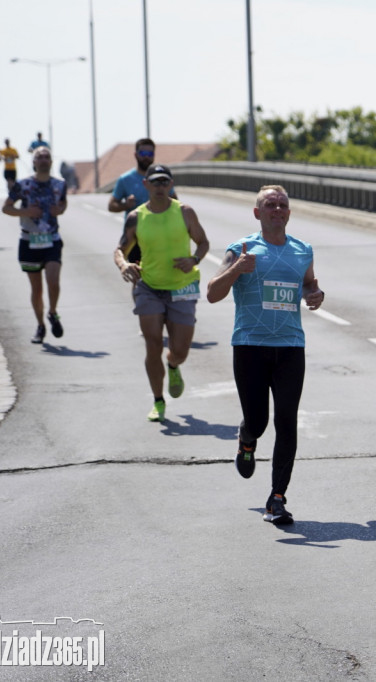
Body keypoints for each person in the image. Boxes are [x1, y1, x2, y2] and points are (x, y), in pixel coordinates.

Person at [207, 185, 325, 526]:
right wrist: (236, 270)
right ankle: (246, 439)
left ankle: (277, 498)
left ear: (289, 212)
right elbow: (213, 293)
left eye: (282, 205)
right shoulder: (241, 249)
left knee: (287, 421)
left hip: (290, 346)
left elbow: (309, 285)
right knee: (258, 422)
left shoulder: (302, 250)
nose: (277, 209)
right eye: (269, 205)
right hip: (250, 345)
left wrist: (315, 294)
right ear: (257, 213)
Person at [114, 165, 210, 422]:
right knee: (152, 343)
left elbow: (203, 243)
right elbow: (120, 249)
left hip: (183, 287)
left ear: (171, 185)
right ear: (146, 185)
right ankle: (158, 400)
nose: (159, 187)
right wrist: (124, 265)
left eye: (164, 182)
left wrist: (194, 259)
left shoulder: (185, 212)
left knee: (180, 350)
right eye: (154, 182)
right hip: (150, 288)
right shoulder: (136, 216)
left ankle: (174, 364)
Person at [2, 147, 68, 343]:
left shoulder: (59, 184)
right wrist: (26, 212)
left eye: (47, 157)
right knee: (37, 289)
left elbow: (63, 204)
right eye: (39, 157)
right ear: (33, 162)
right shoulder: (23, 185)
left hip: (51, 239)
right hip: (29, 240)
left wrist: (60, 210)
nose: (44, 160)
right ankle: (40, 325)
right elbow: (6, 208)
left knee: (53, 281)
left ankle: (53, 312)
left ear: (51, 161)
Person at [109, 138, 176, 264]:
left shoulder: (163, 178)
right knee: (138, 276)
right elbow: (111, 205)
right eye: (143, 153)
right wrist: (125, 205)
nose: (146, 157)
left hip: (161, 234)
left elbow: (175, 202)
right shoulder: (125, 179)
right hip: (137, 236)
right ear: (136, 154)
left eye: (150, 154)